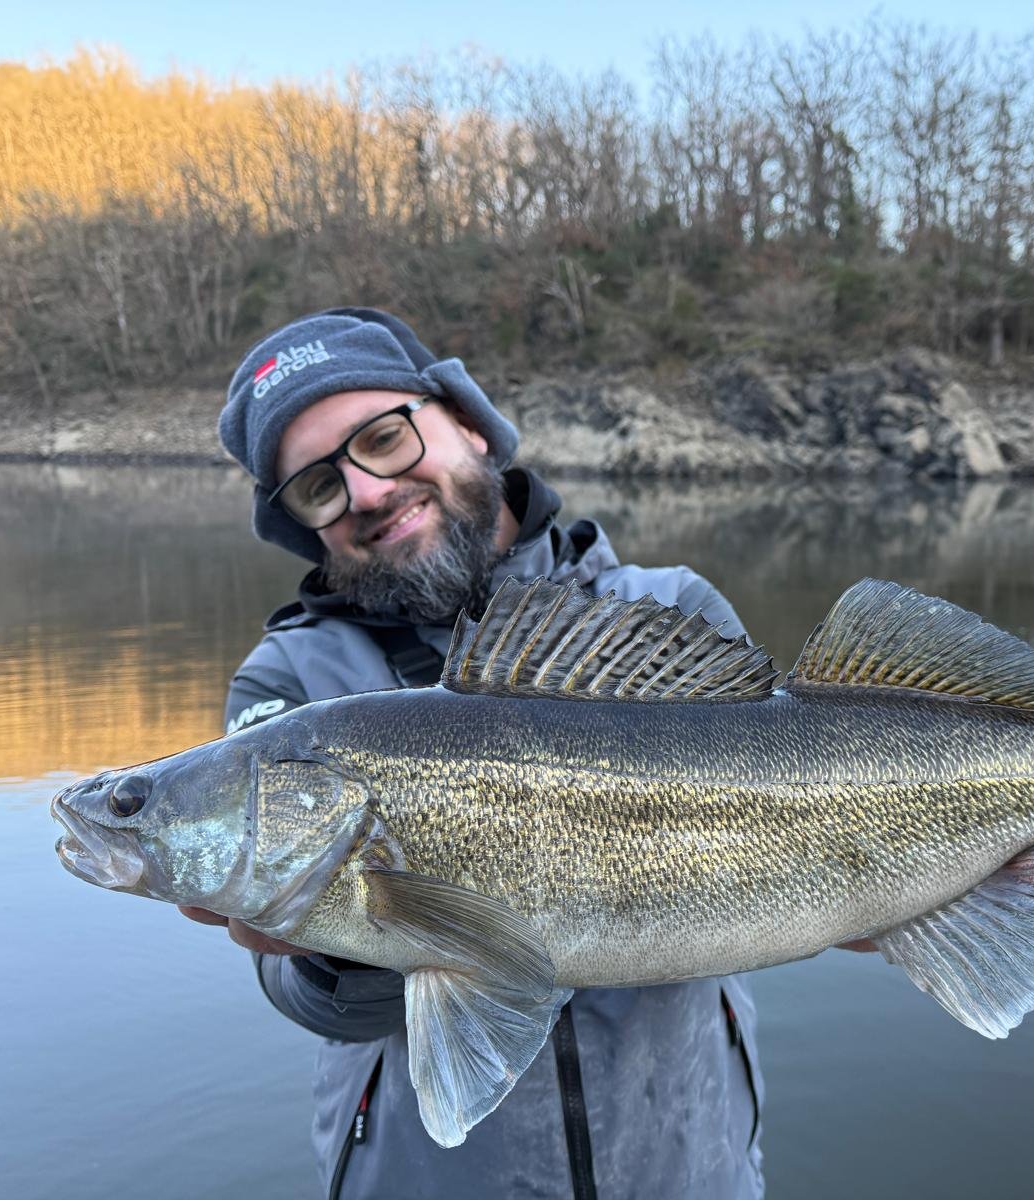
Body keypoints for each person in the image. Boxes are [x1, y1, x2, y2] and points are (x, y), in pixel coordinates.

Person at [185, 307, 764, 1199]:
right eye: (315, 488)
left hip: (689, 1162)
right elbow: (304, 998)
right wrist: (345, 941)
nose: (367, 493)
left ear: (466, 421)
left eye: (383, 438)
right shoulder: (289, 686)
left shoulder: (668, 609)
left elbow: (801, 837)